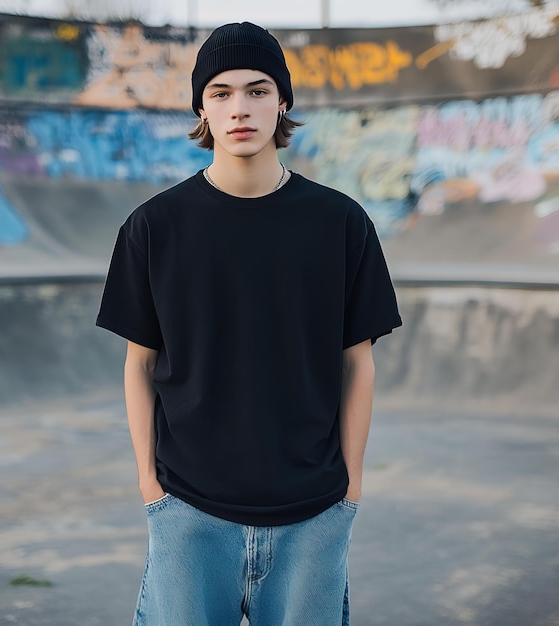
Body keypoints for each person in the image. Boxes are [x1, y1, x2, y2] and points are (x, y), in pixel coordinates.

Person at [96, 21, 402, 626]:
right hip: (188, 508)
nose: (240, 108)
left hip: (313, 512)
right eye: (221, 92)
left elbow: (357, 360)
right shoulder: (154, 227)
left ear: (282, 101)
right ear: (202, 108)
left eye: (258, 90)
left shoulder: (340, 223)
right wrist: (149, 488)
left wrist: (351, 488)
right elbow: (139, 363)